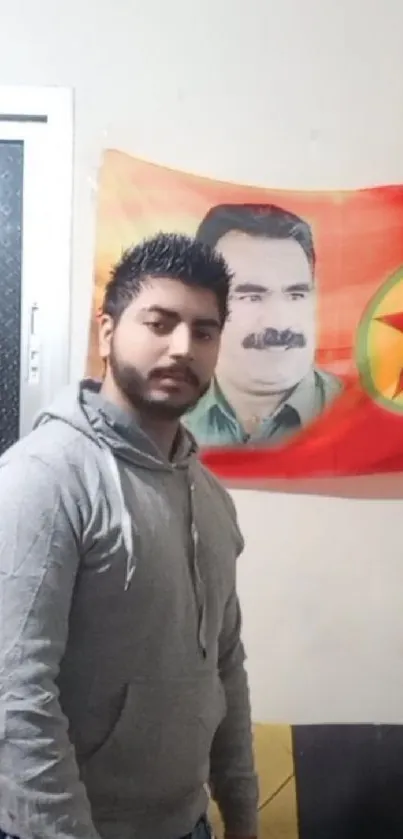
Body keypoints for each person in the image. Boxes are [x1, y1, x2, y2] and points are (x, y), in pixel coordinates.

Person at [0, 233, 258, 839]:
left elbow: (227, 668)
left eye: (203, 331)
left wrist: (242, 819)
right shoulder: (44, 478)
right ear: (107, 330)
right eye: (159, 322)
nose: (181, 347)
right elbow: (16, 696)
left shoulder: (212, 498)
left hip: (186, 825)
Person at [184, 203, 343, 446]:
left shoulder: (358, 416)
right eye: (251, 296)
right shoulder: (162, 417)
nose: (279, 323)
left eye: (296, 295)